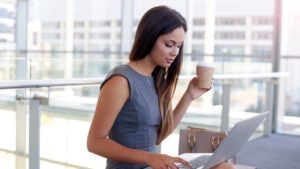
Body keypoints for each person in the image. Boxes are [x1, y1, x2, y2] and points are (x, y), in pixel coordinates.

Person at [87, 5, 236, 169]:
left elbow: (157, 138)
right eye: (169, 44)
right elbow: (95, 143)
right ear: (149, 38)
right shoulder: (121, 80)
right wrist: (149, 158)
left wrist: (189, 96)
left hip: (153, 166)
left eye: (179, 46)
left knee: (224, 167)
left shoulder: (156, 79)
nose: (175, 52)